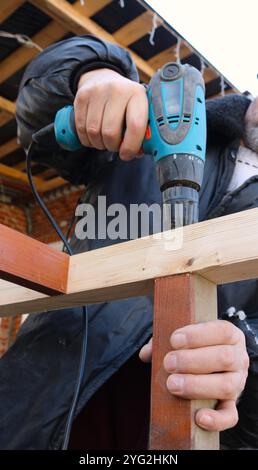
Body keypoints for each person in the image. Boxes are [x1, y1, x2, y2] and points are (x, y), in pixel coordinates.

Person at [0, 35, 257, 450]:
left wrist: (245, 367)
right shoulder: (156, 117)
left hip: (162, 436)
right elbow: (35, 121)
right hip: (30, 410)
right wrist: (90, 74)